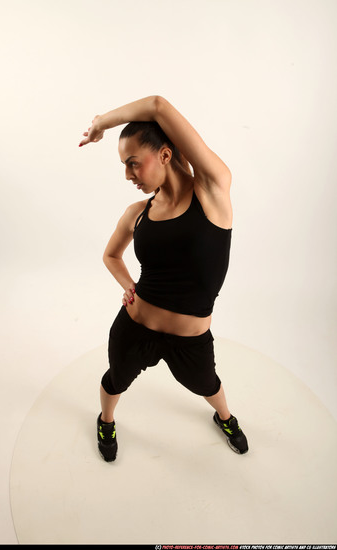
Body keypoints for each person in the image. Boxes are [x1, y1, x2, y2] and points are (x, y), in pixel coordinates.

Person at [79, 95, 248, 462]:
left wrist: (102, 123)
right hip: (135, 327)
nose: (128, 175)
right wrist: (129, 286)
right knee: (115, 379)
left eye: (133, 164)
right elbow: (111, 255)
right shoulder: (137, 213)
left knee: (208, 383)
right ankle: (106, 420)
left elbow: (157, 105)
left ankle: (226, 417)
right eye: (125, 166)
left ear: (166, 155)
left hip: (190, 340)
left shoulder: (212, 193)